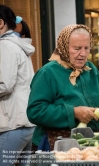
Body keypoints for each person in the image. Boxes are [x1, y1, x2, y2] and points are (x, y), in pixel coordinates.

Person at [26, 24, 99, 151]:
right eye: (77, 48)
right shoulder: (48, 73)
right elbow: (35, 111)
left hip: (90, 142)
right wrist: (74, 113)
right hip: (56, 144)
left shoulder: (90, 69)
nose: (83, 53)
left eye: (86, 48)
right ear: (64, 47)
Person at [0, 4, 35, 165]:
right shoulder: (18, 45)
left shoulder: (5, 46)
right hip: (26, 123)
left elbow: (5, 84)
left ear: (0, 23)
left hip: (13, 124)